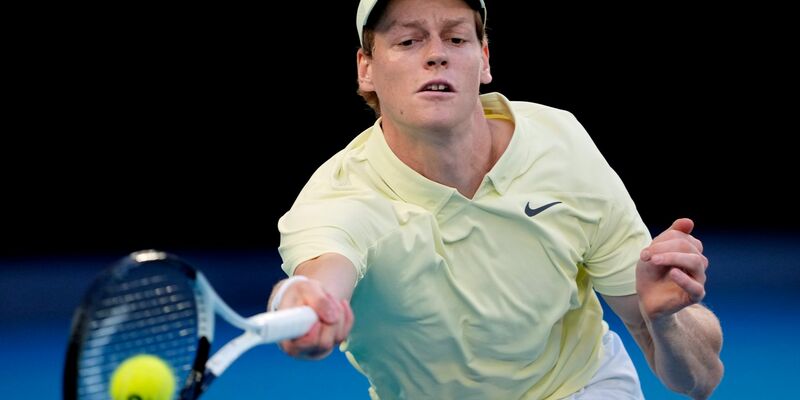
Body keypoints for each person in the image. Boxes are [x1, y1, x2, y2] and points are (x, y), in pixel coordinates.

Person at [268, 0, 724, 398]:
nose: (436, 55)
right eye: (408, 41)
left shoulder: (559, 145)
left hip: (581, 389)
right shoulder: (339, 196)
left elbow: (698, 381)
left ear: (484, 60)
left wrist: (665, 320)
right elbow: (321, 277)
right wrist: (305, 300)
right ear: (365, 69)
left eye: (456, 38)